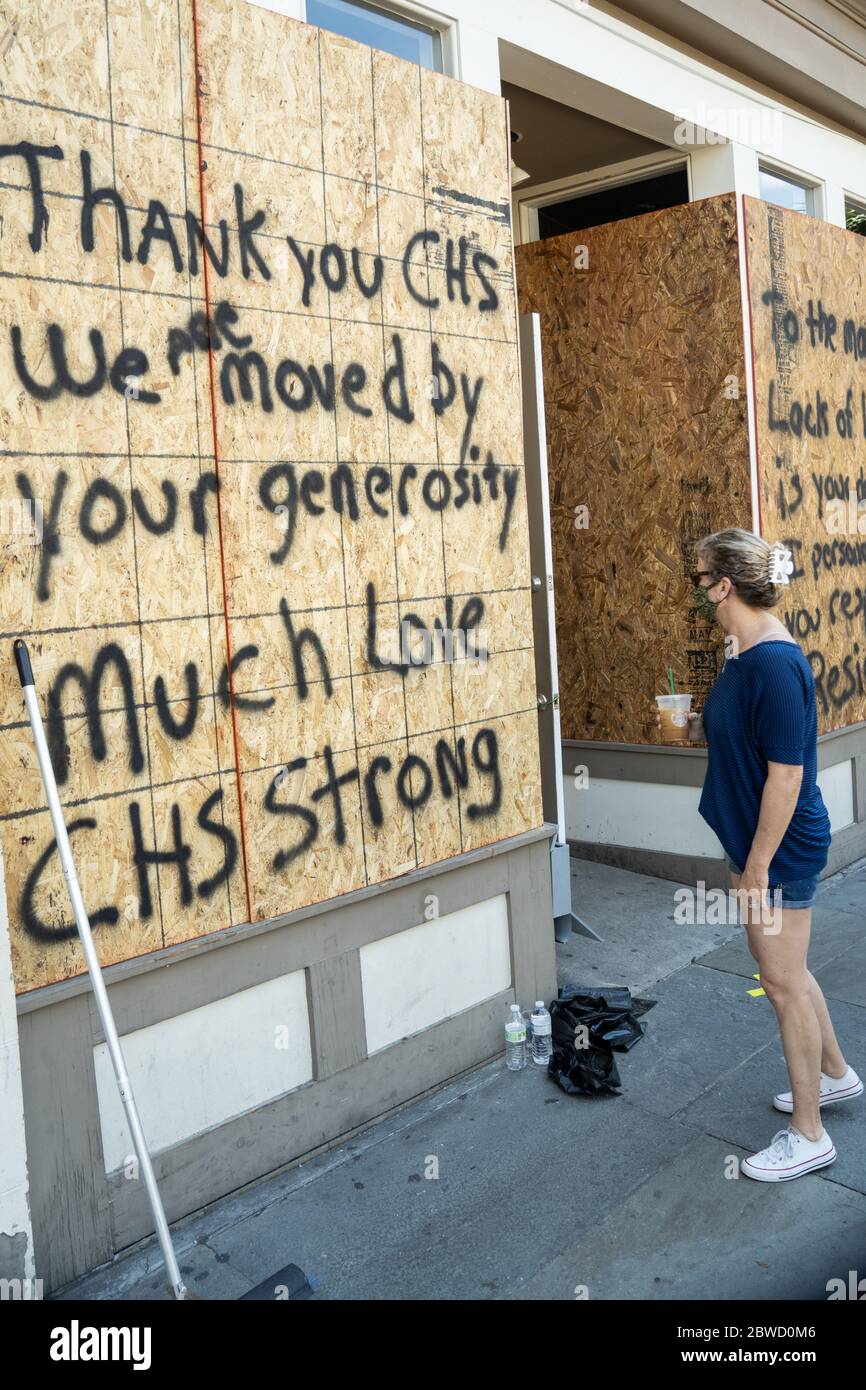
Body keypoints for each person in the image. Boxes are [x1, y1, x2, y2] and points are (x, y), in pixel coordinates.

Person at [656, 528, 861, 1181]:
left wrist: (757, 868)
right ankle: (834, 1075)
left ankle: (809, 1134)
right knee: (789, 972)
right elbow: (739, 734)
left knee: (781, 982)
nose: (696, 591)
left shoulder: (774, 661)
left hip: (781, 847)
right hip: (763, 843)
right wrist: (691, 724)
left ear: (725, 584)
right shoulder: (742, 652)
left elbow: (787, 777)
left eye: (700, 579)